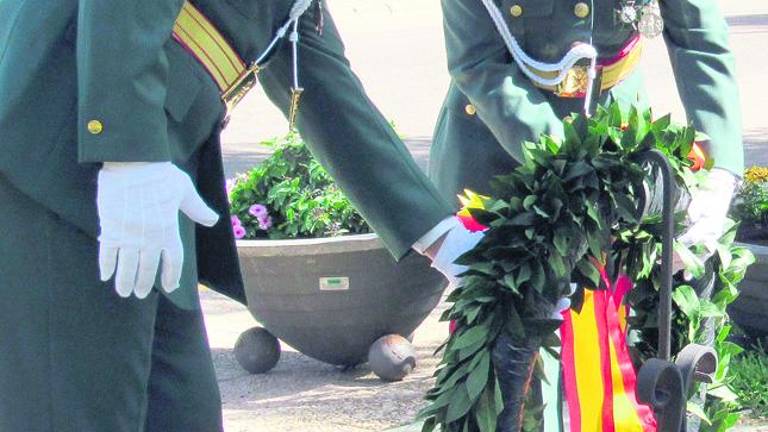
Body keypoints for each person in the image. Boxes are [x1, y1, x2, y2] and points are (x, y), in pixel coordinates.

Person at [0, 1, 476, 430]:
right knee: (77, 409)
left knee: (178, 407)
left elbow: (313, 73)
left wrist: (444, 242)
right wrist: (129, 156)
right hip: (63, 148)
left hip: (149, 165)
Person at [431, 0, 744, 430]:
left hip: (619, 130)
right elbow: (477, 60)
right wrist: (582, 170)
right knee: (506, 379)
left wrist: (721, 167)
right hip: (503, 148)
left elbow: (698, 34)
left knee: (619, 366)